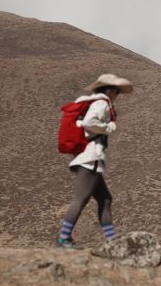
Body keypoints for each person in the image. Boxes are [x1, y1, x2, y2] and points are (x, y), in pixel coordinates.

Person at [56, 73, 133, 249]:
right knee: (81, 198)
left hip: (91, 158)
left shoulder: (98, 102)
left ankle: (112, 241)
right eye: (117, 92)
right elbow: (90, 122)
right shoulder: (102, 104)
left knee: (105, 199)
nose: (117, 96)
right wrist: (108, 127)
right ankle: (63, 238)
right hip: (90, 158)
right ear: (111, 90)